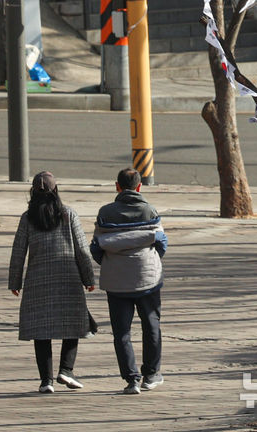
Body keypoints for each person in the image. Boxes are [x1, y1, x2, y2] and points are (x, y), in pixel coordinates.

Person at [8, 171, 96, 393]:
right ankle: (66, 370)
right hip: (68, 277)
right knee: (73, 324)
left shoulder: (27, 218)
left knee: (42, 330)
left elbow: (18, 251)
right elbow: (82, 250)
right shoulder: (68, 214)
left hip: (37, 279)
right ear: (56, 190)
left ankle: (46, 380)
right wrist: (89, 278)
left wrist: (15, 281)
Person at [90, 167, 167, 395]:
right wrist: (152, 260)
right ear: (139, 186)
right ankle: (151, 375)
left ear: (117, 186)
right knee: (151, 325)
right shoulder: (149, 210)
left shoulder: (105, 212)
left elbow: (95, 247)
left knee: (121, 332)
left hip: (116, 282)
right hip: (147, 279)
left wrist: (111, 264)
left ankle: (131, 379)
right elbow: (161, 242)